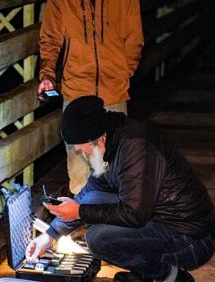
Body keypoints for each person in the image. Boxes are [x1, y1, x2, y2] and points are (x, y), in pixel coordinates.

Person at [26, 96, 215, 282]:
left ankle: (174, 280)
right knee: (91, 199)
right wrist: (50, 235)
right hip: (163, 219)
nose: (79, 151)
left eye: (80, 146)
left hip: (193, 240)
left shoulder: (135, 148)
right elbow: (93, 192)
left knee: (98, 239)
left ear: (95, 138)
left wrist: (80, 211)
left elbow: (135, 214)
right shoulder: (111, 141)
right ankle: (149, 269)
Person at [37, 0, 144, 195]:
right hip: (77, 88)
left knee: (115, 160)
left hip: (113, 91)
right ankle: (81, 214)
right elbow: (50, 39)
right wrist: (47, 75)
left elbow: (134, 39)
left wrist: (122, 73)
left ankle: (113, 216)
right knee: (78, 163)